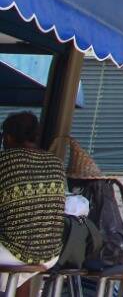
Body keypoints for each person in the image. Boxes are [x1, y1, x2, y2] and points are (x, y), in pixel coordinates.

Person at [0, 112, 65, 294]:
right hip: (49, 254)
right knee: (20, 266)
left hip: (13, 251)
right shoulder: (55, 162)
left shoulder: (5, 161)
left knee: (16, 252)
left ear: (9, 137)